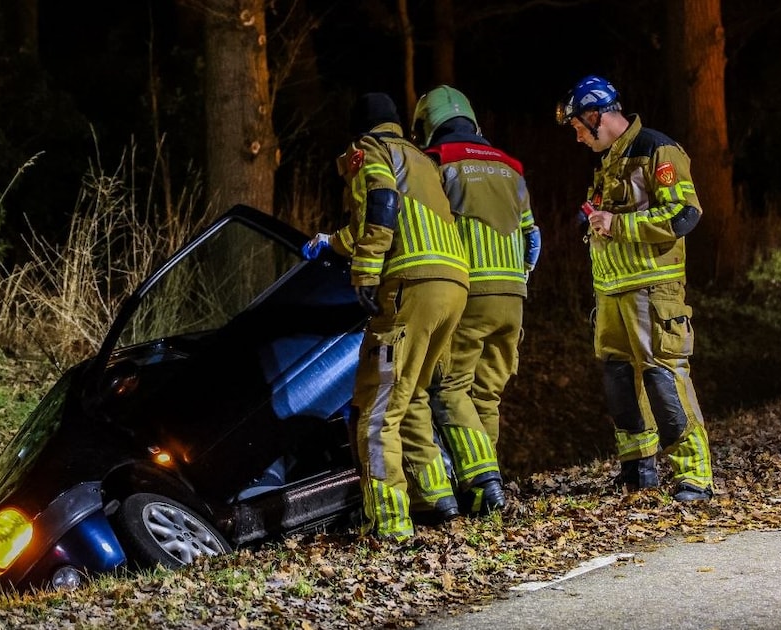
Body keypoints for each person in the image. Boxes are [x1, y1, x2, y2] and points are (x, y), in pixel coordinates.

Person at [302, 92, 470, 539]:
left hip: (409, 285)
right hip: (452, 284)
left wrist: (365, 271)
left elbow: (380, 203)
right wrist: (334, 241)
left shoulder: (370, 152)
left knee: (376, 411)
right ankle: (437, 500)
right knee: (411, 397)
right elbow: (386, 215)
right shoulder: (420, 159)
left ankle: (390, 523)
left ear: (359, 128)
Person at [556, 75, 713, 501]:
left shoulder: (656, 150)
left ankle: (695, 476)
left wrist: (619, 224)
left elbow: (685, 213)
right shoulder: (609, 162)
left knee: (664, 377)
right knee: (619, 380)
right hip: (612, 292)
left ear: (595, 115)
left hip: (652, 290)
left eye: (576, 127)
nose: (576, 137)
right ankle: (639, 470)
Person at [412, 85, 541, 516]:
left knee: (448, 389)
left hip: (470, 293)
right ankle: (483, 493)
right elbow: (533, 237)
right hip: (513, 296)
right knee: (485, 396)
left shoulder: (437, 164)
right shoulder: (511, 166)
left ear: (427, 125)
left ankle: (485, 483)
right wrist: (518, 277)